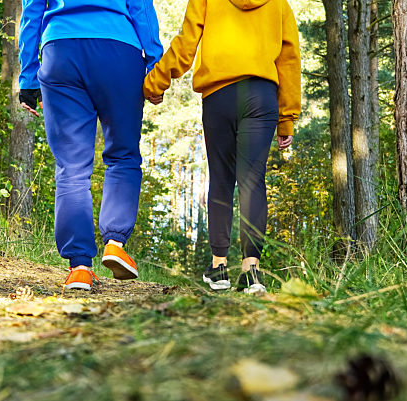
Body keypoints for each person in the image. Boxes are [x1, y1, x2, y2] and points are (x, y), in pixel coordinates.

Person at [144, 0, 301, 292]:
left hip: (219, 96)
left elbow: (186, 44)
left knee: (221, 179)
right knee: (253, 181)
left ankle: (219, 267)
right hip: (260, 94)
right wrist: (286, 118)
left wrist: (155, 82)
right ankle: (251, 271)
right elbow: (289, 58)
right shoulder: (279, 3)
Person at [19, 0, 163, 290]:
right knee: (123, 155)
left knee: (71, 167)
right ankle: (115, 243)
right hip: (119, 50)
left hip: (62, 50)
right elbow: (141, 7)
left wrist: (28, 75)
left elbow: (32, 9)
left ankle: (80, 267)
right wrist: (155, 62)